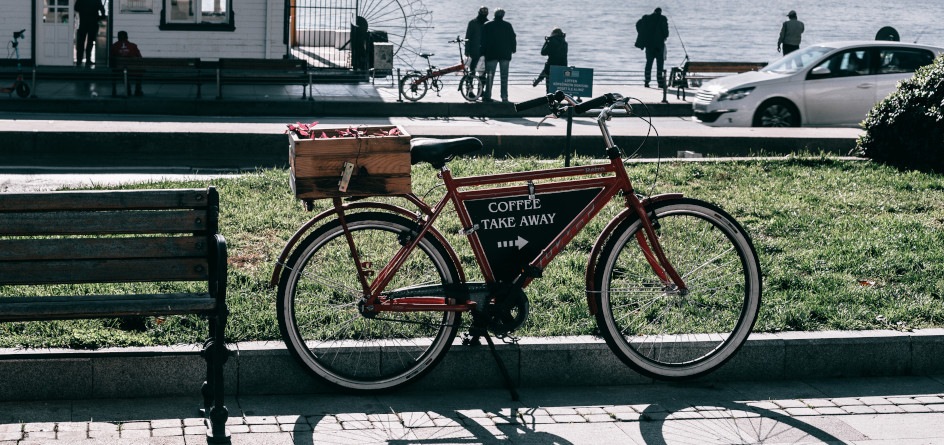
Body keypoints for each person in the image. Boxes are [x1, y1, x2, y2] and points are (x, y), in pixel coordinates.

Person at [480, 8, 516, 103]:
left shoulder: (487, 25)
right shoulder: (508, 25)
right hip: (505, 54)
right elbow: (513, 38)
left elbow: (483, 41)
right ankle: (504, 97)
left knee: (490, 76)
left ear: (494, 14)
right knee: (504, 77)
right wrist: (513, 49)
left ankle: (487, 96)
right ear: (503, 15)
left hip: (491, 54)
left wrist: (482, 53)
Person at [635, 7, 669, 88]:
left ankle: (647, 81)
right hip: (659, 46)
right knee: (660, 65)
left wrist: (642, 33)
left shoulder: (646, 18)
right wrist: (664, 36)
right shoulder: (663, 19)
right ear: (660, 12)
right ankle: (660, 83)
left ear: (654, 11)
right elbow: (666, 33)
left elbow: (638, 24)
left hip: (649, 46)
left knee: (649, 64)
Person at [111, 30, 144, 96]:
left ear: (118, 37)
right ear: (127, 37)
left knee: (124, 70)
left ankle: (127, 89)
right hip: (134, 70)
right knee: (139, 71)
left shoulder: (114, 46)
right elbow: (139, 58)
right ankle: (138, 90)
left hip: (119, 70)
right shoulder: (133, 46)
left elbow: (111, 58)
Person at [74, 0, 105, 68]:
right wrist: (102, 16)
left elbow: (76, 8)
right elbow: (102, 8)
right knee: (90, 42)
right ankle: (88, 59)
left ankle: (79, 60)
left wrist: (83, 10)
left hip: (83, 22)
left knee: (81, 42)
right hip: (93, 22)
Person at [464, 6, 489, 76]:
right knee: (475, 69)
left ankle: (475, 81)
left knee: (479, 70)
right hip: (477, 51)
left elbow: (467, 37)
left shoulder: (473, 22)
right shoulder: (473, 23)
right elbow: (468, 37)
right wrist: (467, 50)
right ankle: (472, 81)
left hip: (481, 51)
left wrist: (467, 50)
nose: (484, 14)